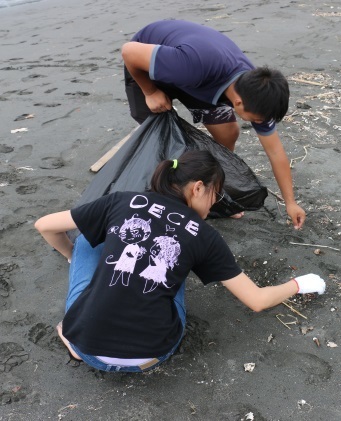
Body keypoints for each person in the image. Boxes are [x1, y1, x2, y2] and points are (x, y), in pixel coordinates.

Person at [34, 150, 326, 372]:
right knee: (174, 261)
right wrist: (300, 284)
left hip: (88, 350)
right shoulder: (204, 235)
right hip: (153, 354)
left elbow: (45, 225)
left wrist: (74, 257)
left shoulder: (121, 201)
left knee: (88, 237)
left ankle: (72, 334)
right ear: (198, 188)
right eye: (216, 194)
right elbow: (257, 300)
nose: (214, 204)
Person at [121, 19, 305, 228]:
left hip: (199, 78)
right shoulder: (190, 67)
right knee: (162, 136)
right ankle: (173, 196)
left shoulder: (257, 92)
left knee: (228, 132)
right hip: (147, 63)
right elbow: (129, 51)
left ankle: (211, 191)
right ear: (238, 102)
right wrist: (151, 91)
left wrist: (291, 202)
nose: (259, 123)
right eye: (257, 120)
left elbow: (275, 151)